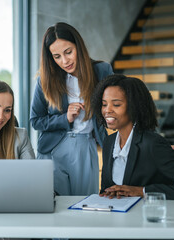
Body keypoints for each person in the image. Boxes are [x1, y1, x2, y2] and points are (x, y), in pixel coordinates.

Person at [91, 74, 174, 200]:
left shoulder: (153, 144)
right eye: (104, 104)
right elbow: (106, 190)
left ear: (134, 107)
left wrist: (142, 191)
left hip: (146, 214)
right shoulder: (109, 142)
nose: (107, 110)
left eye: (116, 104)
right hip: (118, 213)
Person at [30, 22, 113, 196]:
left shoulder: (101, 71)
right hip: (52, 150)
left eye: (68, 52)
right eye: (57, 56)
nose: (65, 61)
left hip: (85, 146)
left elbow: (121, 108)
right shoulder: (45, 80)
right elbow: (35, 121)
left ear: (79, 47)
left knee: (84, 205)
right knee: (53, 208)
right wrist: (65, 118)